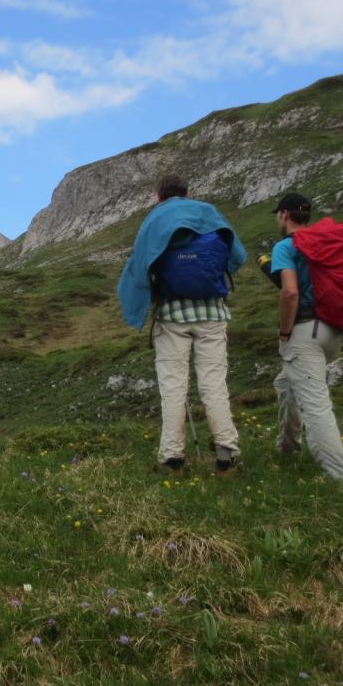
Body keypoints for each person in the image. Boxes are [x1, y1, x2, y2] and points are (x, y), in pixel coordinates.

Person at [118, 174, 246, 472]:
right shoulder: (208, 211)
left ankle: (172, 457)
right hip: (213, 314)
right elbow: (235, 255)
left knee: (174, 386)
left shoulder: (153, 220)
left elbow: (138, 268)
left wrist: (138, 308)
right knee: (214, 384)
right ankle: (227, 454)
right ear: (188, 192)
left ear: (157, 196)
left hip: (172, 316)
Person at [269, 192, 343, 484]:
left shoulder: (286, 246)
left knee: (315, 405)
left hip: (305, 332)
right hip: (333, 330)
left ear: (284, 215)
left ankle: (340, 479)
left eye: (278, 215)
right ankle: (288, 447)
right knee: (285, 384)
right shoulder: (326, 243)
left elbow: (290, 292)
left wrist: (284, 332)